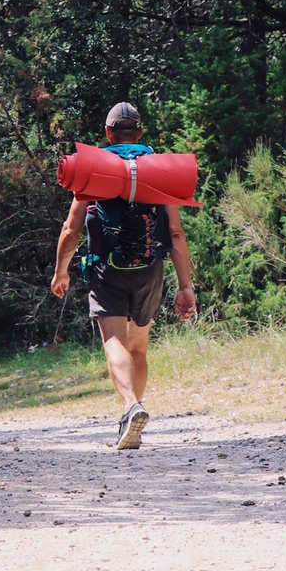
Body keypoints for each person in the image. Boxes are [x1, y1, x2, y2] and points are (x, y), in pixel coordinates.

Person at [50, 102, 195, 450]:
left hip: (106, 270)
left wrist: (61, 271)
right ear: (141, 133)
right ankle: (133, 415)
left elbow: (71, 229)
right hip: (150, 269)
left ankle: (131, 407)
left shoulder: (94, 170)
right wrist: (186, 286)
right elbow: (175, 234)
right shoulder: (160, 170)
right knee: (139, 347)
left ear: (108, 134)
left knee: (113, 340)